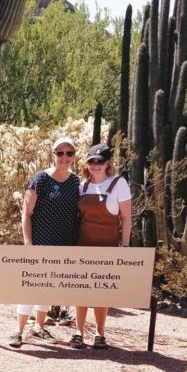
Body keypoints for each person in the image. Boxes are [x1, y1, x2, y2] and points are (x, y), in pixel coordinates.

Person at [9, 136, 81, 348]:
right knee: (31, 285)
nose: (65, 157)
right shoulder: (40, 179)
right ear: (53, 155)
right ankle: (18, 331)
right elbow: (26, 213)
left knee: (48, 286)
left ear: (74, 157)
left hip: (63, 243)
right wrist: (28, 243)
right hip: (39, 242)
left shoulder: (75, 181)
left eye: (69, 153)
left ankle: (39, 328)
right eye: (60, 153)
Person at [71, 142, 132, 350]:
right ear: (87, 164)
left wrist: (124, 245)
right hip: (84, 242)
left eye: (100, 161)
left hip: (107, 245)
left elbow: (126, 218)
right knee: (81, 288)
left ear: (108, 163)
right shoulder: (83, 186)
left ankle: (100, 333)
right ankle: (78, 332)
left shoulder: (119, 184)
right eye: (91, 161)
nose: (95, 165)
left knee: (101, 289)